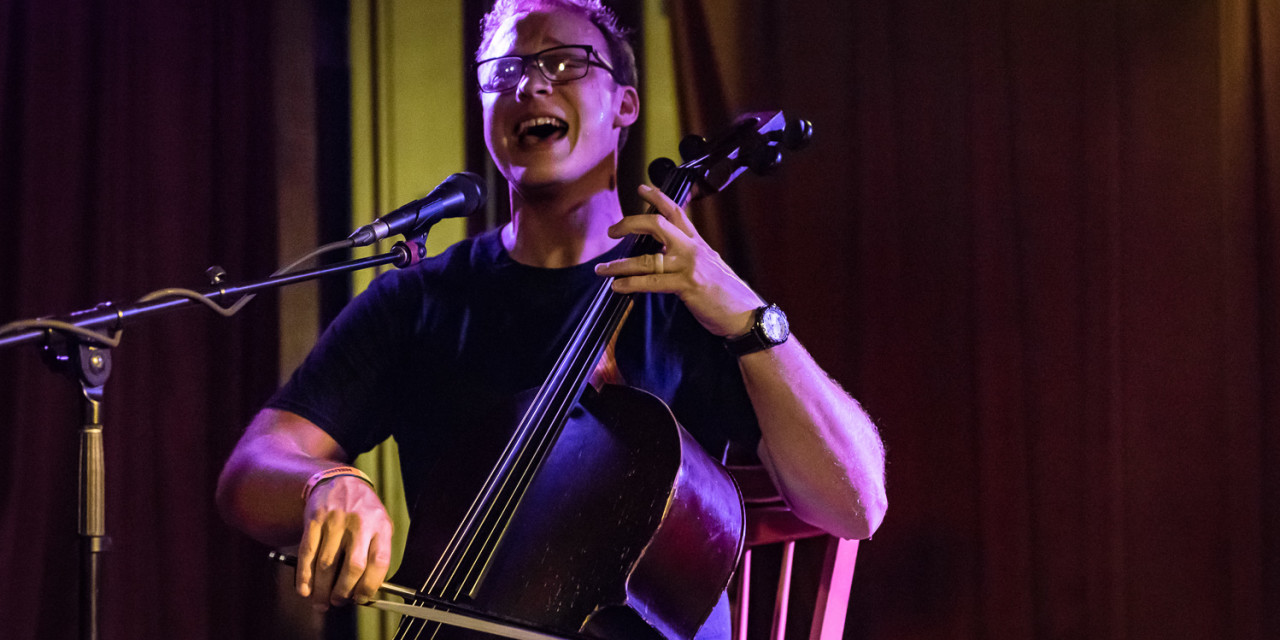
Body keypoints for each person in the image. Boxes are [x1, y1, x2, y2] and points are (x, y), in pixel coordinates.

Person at [216, 0, 887, 636]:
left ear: (625, 103)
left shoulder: (689, 296)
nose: (530, 85)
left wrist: (748, 318)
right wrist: (326, 483)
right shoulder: (420, 302)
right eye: (504, 72)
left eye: (565, 62)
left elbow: (856, 505)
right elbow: (251, 474)